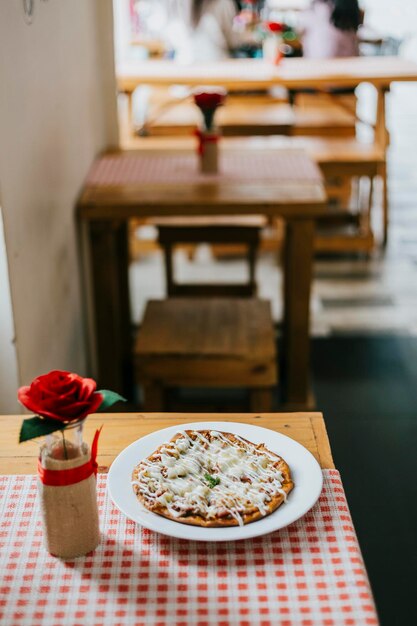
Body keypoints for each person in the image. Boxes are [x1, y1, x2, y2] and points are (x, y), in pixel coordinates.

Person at [167, 0, 254, 63]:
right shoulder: (222, 3)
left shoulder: (175, 4)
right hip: (218, 70)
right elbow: (233, 41)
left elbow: (169, 40)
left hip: (183, 69)